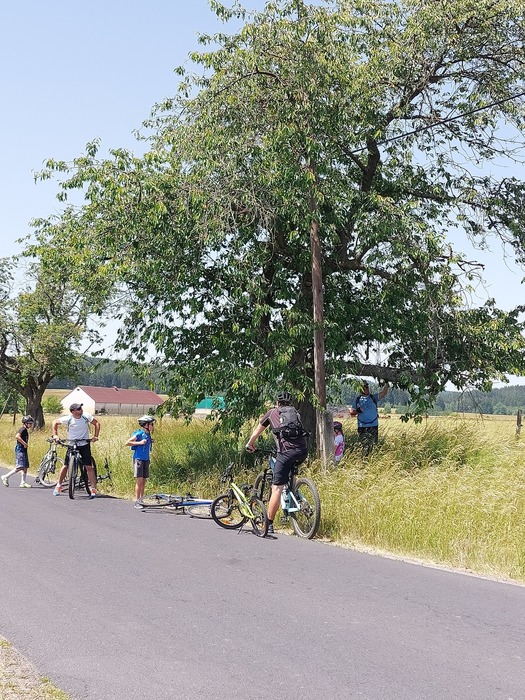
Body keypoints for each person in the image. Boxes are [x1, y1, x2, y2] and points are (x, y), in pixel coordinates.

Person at [246, 391, 308, 534]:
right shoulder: (295, 413)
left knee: (277, 488)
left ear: (278, 403)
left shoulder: (272, 413)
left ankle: (269, 523)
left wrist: (250, 444)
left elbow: (258, 430)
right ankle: (293, 492)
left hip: (285, 453)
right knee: (291, 471)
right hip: (302, 451)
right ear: (289, 403)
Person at [51, 403, 100, 498]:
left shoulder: (86, 416)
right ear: (73, 411)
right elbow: (55, 422)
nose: (81, 410)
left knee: (88, 466)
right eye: (78, 409)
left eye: (81, 408)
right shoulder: (69, 419)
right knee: (66, 466)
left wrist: (96, 436)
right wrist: (55, 435)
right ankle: (59, 485)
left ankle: (93, 488)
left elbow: (97, 423)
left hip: (84, 443)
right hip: (72, 444)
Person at [349, 380, 389, 455]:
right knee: (363, 445)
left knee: (374, 445)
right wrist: (358, 411)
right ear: (361, 389)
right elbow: (352, 412)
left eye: (367, 387)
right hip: (362, 426)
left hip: (373, 425)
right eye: (365, 387)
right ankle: (364, 458)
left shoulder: (373, 397)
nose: (367, 388)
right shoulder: (357, 400)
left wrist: (387, 382)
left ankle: (373, 458)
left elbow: (384, 393)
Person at [126, 415, 155, 509]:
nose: (153, 426)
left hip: (146, 459)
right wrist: (139, 443)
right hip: (138, 459)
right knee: (139, 480)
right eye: (151, 424)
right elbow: (127, 442)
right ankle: (137, 500)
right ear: (146, 425)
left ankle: (142, 500)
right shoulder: (139, 434)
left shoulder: (148, 435)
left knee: (144, 481)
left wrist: (151, 441)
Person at [2, 416, 35, 488]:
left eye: (31, 423)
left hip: (23, 450)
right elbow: (17, 436)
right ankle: (6, 476)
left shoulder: (25, 430)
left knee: (25, 466)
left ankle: (23, 482)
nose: (31, 425)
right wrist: (24, 443)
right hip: (20, 450)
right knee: (20, 466)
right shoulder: (22, 429)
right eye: (30, 423)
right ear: (25, 423)